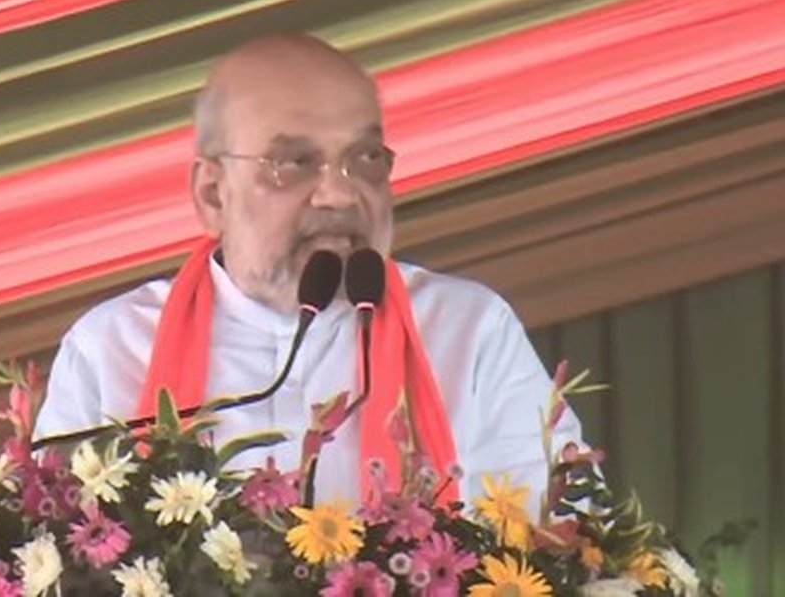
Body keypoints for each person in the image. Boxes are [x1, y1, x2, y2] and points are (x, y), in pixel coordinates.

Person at [34, 34, 582, 519]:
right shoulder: (112, 349)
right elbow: (50, 550)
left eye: (366, 158)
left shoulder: (469, 330)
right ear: (213, 194)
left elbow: (569, 539)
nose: (339, 195)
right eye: (293, 163)